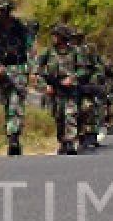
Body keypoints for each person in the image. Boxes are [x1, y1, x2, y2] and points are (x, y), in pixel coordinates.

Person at [0, 0, 32, 156]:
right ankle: (12, 135)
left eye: (2, 11)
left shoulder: (21, 28)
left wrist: (30, 71)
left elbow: (30, 50)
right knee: (7, 105)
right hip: (2, 72)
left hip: (18, 70)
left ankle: (14, 139)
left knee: (15, 105)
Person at [35, 24, 81, 155]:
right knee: (58, 116)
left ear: (63, 37)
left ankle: (71, 141)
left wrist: (72, 78)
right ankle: (62, 142)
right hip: (54, 91)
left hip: (70, 89)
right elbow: (36, 69)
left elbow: (84, 69)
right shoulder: (48, 52)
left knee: (70, 115)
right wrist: (45, 86)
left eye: (56, 35)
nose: (54, 38)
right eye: (53, 35)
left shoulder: (75, 52)